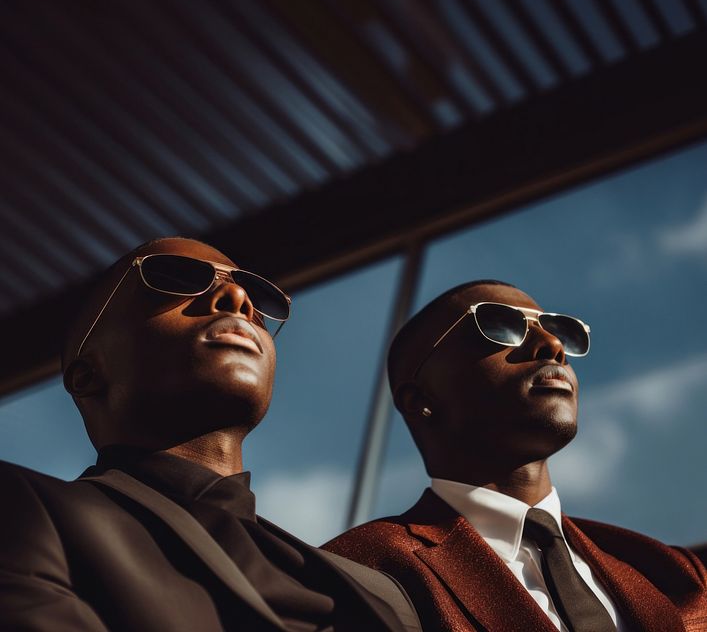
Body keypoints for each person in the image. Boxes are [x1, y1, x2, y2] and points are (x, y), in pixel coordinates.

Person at [0, 237, 420, 632]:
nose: (239, 299)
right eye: (175, 279)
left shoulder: (385, 595)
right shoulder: (21, 510)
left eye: (257, 298)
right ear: (87, 376)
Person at [325, 279, 707, 632]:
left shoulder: (671, 572)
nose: (552, 346)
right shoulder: (361, 569)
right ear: (420, 399)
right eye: (499, 325)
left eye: (560, 332)